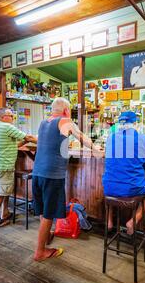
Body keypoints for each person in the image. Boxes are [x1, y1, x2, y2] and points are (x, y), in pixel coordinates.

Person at [32, 98, 102, 261]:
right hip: (52, 174)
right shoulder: (66, 121)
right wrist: (96, 148)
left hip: (37, 172)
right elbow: (82, 138)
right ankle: (40, 251)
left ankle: (46, 236)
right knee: (49, 213)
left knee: (43, 210)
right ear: (65, 110)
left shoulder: (43, 123)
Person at [102, 111, 145, 235]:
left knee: (113, 185)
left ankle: (108, 221)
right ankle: (134, 220)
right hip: (131, 188)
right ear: (135, 123)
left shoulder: (110, 137)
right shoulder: (141, 138)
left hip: (108, 188)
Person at [0, 108, 37, 230]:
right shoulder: (6, 127)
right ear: (3, 117)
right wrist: (44, 141)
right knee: (1, 192)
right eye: (10, 116)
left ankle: (5, 213)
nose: (13, 118)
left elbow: (14, 145)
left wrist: (25, 140)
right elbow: (29, 137)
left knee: (4, 190)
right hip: (3, 165)